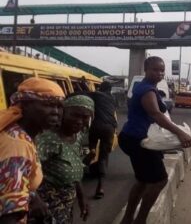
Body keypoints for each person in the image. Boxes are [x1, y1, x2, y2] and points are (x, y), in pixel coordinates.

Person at [118, 56, 191, 224]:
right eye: (155, 69)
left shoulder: (146, 87)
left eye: (162, 70)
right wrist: (180, 133)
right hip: (139, 141)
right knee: (159, 180)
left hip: (134, 137)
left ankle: (128, 218)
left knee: (143, 180)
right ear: (145, 69)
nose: (159, 73)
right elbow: (156, 114)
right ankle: (140, 219)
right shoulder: (146, 90)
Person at [0, 77, 65, 224]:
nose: (56, 112)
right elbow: (10, 215)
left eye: (59, 106)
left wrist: (32, 196)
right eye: (48, 105)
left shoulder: (15, 131)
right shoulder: (18, 145)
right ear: (26, 105)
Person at [34, 95, 94, 224]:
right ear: (63, 113)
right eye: (75, 115)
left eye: (85, 117)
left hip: (66, 203)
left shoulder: (77, 136)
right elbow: (24, 173)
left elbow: (74, 167)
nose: (79, 121)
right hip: (46, 204)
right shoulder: (48, 140)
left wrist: (82, 197)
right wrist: (35, 199)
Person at [85, 81, 118, 199]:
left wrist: (84, 85)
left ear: (101, 88)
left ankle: (92, 150)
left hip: (96, 125)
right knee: (104, 157)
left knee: (92, 142)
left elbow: (84, 93)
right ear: (110, 89)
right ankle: (100, 187)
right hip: (110, 128)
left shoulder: (97, 95)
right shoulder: (113, 99)